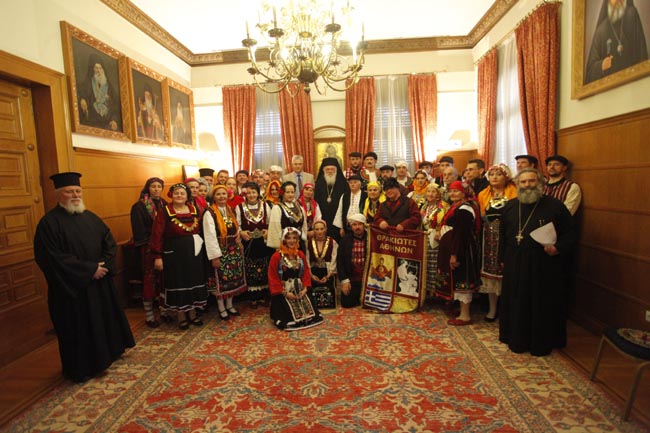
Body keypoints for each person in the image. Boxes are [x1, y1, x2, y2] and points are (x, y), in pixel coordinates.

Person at [34, 172, 135, 383]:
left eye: (78, 191)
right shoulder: (49, 223)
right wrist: (90, 270)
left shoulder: (91, 217)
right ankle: (84, 368)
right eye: (69, 191)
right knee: (79, 327)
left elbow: (109, 242)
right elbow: (52, 258)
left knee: (103, 321)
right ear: (58, 194)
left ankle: (109, 355)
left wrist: (103, 266)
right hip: (74, 289)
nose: (75, 195)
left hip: (100, 282)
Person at [499, 168, 576, 356]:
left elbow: (570, 234)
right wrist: (502, 259)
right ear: (518, 185)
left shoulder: (555, 206)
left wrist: (557, 248)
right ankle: (515, 338)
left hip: (543, 263)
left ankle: (540, 342)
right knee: (516, 300)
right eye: (523, 182)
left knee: (540, 302)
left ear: (540, 183)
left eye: (531, 181)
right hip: (514, 260)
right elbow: (502, 236)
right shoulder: (510, 206)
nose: (527, 185)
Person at [150, 183, 208, 330]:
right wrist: (157, 256)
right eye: (176, 193)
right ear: (171, 195)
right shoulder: (164, 211)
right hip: (174, 254)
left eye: (182, 193)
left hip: (194, 253)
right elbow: (157, 234)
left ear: (187, 196)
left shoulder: (194, 210)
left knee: (193, 280)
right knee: (179, 281)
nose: (179, 196)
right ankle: (181, 315)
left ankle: (193, 313)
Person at [436, 180, 482, 326]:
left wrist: (454, 254)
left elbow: (461, 234)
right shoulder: (456, 206)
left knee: (463, 280)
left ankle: (465, 315)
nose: (452, 193)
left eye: (456, 191)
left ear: (464, 192)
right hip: (456, 247)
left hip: (462, 250)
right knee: (457, 279)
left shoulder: (465, 209)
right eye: (450, 191)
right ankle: (462, 310)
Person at [477, 164, 517, 322]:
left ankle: (508, 310)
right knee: (490, 275)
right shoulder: (483, 194)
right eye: (492, 174)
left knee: (507, 273)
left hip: (507, 236)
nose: (494, 177)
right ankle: (492, 309)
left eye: (498, 174)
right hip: (488, 238)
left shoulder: (514, 192)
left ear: (506, 177)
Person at [203, 184, 248, 320]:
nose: (222, 196)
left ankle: (229, 305)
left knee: (233, 278)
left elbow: (237, 227)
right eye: (218, 194)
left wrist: (239, 239)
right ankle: (221, 307)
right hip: (220, 250)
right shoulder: (209, 213)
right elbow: (210, 236)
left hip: (233, 250)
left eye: (224, 194)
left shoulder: (231, 210)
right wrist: (215, 256)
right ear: (213, 197)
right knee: (220, 281)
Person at [268, 227, 324, 330]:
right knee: (288, 318)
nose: (292, 241)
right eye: (289, 238)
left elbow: (306, 272)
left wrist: (305, 289)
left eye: (294, 238)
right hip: (283, 291)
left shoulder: (300, 254)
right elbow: (273, 277)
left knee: (312, 316)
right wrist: (285, 293)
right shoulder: (276, 257)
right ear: (284, 240)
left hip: (300, 290)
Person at [130, 177, 166, 327]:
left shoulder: (164, 204)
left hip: (163, 247)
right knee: (150, 282)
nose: (156, 189)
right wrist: (153, 242)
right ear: (147, 188)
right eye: (153, 186)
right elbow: (138, 231)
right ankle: (149, 316)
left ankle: (163, 312)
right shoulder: (139, 206)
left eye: (159, 186)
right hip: (147, 248)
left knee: (163, 280)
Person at [585, 0, 648, 84]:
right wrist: (601, 65)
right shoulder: (601, 31)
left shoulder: (632, 16)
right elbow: (590, 72)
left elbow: (642, 53)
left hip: (635, 83)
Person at [236, 182, 274, 309]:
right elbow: (237, 224)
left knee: (264, 266)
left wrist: (268, 230)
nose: (251, 195)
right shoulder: (239, 207)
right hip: (249, 242)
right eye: (249, 193)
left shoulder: (266, 205)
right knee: (250, 267)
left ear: (258, 193)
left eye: (254, 192)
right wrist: (241, 232)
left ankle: (263, 295)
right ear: (245, 194)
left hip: (263, 242)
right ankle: (253, 297)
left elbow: (270, 222)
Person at [419, 183, 449, 299]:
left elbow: (446, 222)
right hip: (425, 237)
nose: (430, 194)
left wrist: (438, 231)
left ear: (438, 194)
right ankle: (427, 291)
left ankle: (437, 292)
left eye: (433, 192)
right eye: (428, 191)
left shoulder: (444, 206)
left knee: (435, 265)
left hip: (438, 239)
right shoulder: (423, 206)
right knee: (426, 264)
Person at [77, 54, 122, 131]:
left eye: (100, 68)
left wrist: (114, 120)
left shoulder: (109, 87)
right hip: (93, 122)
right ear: (92, 69)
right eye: (96, 68)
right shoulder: (86, 84)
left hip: (108, 123)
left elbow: (116, 105)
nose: (98, 71)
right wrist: (82, 99)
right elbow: (82, 96)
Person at [314, 157, 350, 241]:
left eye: (332, 169)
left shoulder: (343, 183)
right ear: (323, 170)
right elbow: (315, 202)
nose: (330, 171)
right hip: (323, 217)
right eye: (327, 169)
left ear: (336, 170)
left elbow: (346, 202)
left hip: (338, 219)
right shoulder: (319, 183)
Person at [337, 213, 369, 308]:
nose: (357, 227)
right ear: (351, 227)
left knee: (369, 304)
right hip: (352, 279)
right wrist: (344, 280)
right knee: (347, 303)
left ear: (364, 225)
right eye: (354, 224)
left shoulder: (371, 239)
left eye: (360, 224)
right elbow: (340, 262)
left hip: (367, 280)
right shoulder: (345, 240)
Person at [306, 220, 338, 309]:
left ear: (326, 229)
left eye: (321, 229)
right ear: (313, 230)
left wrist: (328, 276)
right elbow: (306, 260)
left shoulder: (332, 242)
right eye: (317, 229)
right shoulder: (308, 243)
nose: (319, 232)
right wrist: (311, 275)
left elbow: (334, 260)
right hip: (313, 272)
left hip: (327, 272)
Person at [267, 181, 309, 250]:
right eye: (288, 192)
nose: (290, 195)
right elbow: (275, 229)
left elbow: (304, 227)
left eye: (292, 192)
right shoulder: (277, 208)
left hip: (299, 244)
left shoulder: (300, 207)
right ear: (282, 193)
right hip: (285, 245)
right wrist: (278, 247)